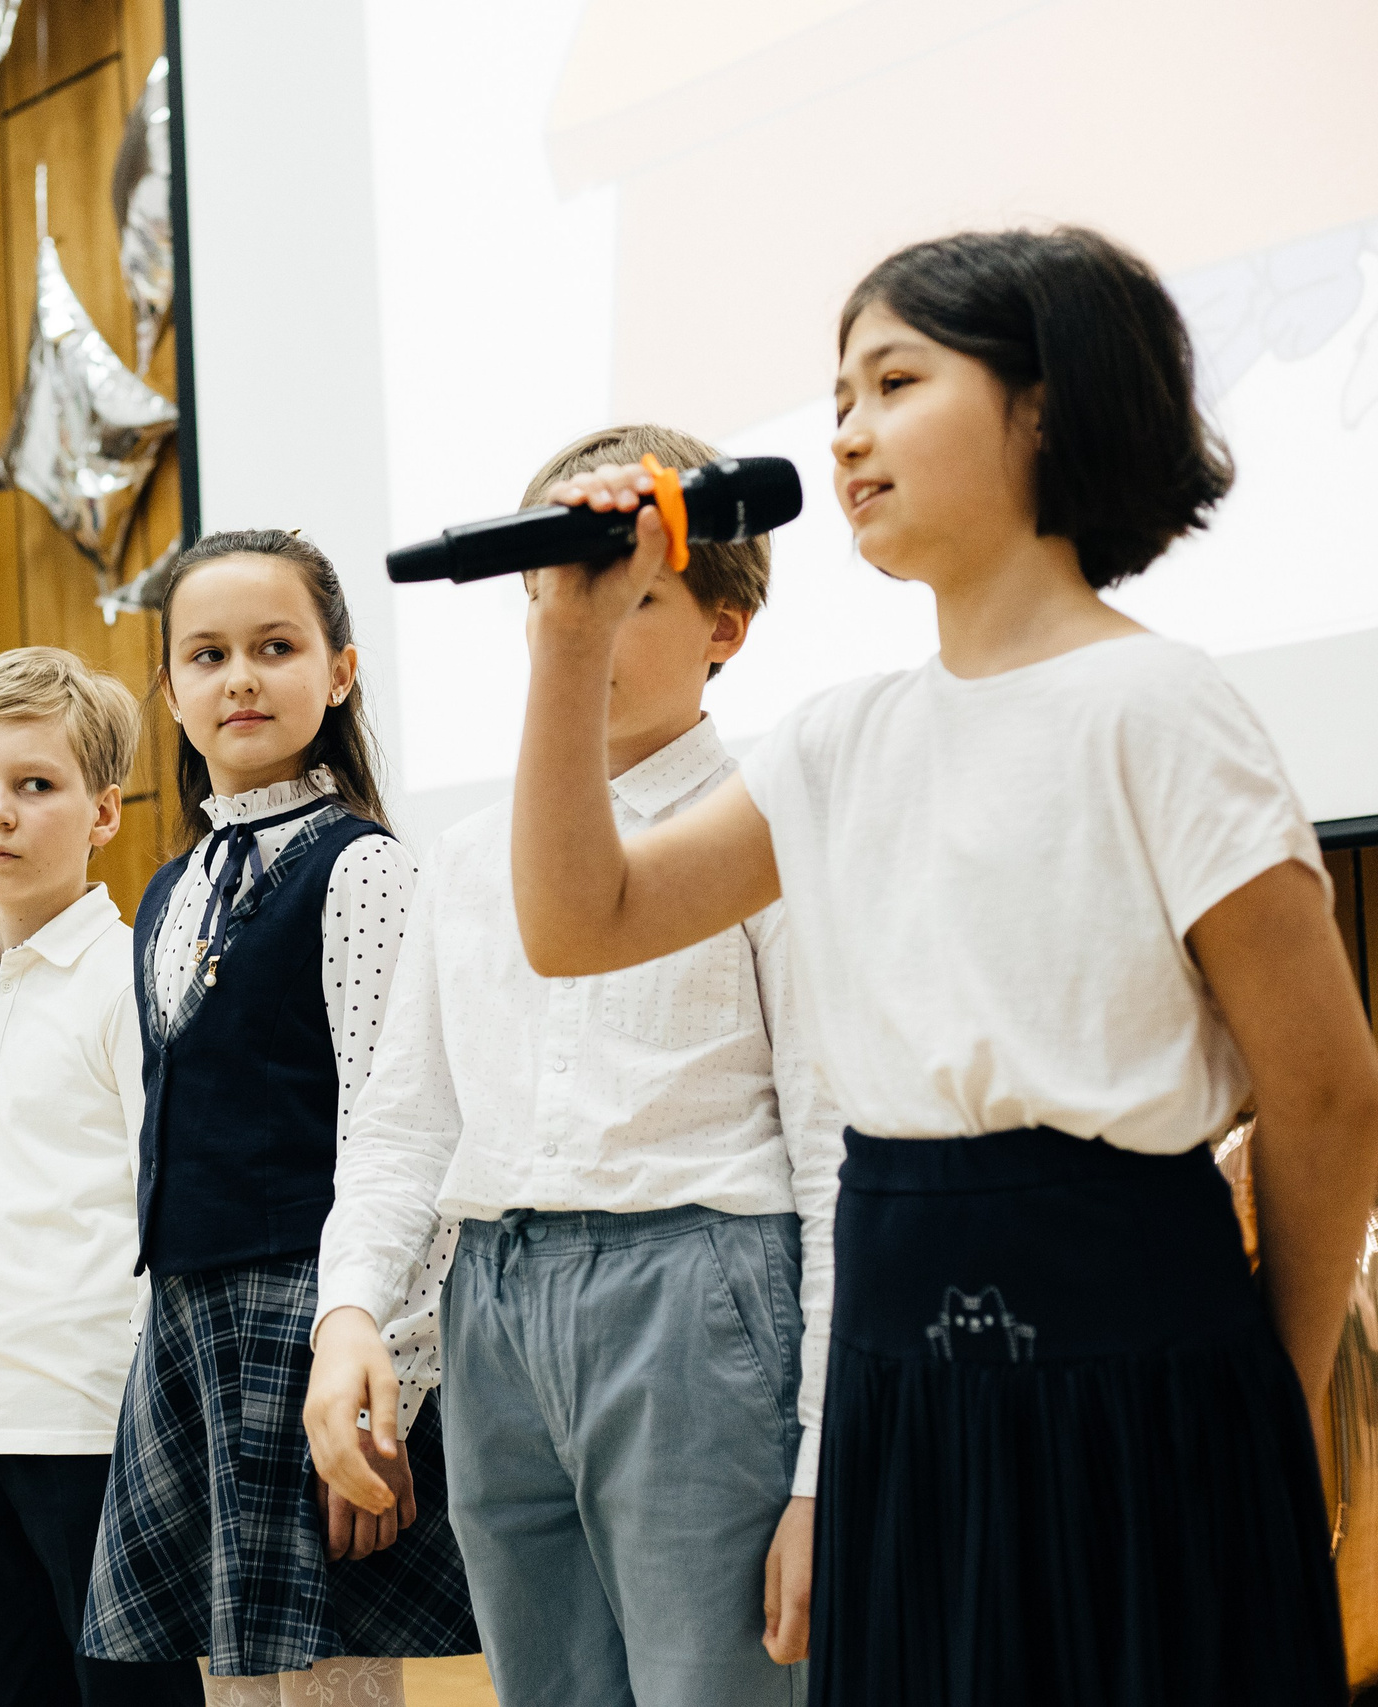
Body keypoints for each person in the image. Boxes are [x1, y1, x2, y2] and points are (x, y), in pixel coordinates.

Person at [506, 228, 1375, 1702]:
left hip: (1143, 1345)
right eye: (836, 392)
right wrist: (571, 638)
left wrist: (1273, 1393)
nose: (845, 430)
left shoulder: (1156, 702)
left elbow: (1326, 1087)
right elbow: (578, 921)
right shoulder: (845, 735)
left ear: (1048, 405)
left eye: (895, 379)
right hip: (911, 1359)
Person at [303, 426, 845, 1706]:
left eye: (634, 594)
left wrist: (829, 1463)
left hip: (696, 1287)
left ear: (728, 627)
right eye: (556, 595)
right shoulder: (467, 851)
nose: (582, 624)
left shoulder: (767, 824)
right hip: (495, 1297)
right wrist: (349, 1318)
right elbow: (401, 1123)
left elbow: (834, 1147)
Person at [76, 534, 477, 1703]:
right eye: (206, 655)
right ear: (171, 689)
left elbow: (402, 1127)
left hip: (315, 1319)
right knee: (235, 1684)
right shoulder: (170, 881)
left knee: (330, 1685)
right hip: (191, 1318)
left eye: (275, 647)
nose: (239, 678)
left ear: (340, 671)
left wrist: (385, 1374)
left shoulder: (363, 870)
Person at [0, 647, 204, 1707]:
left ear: (104, 813)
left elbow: (169, 1226)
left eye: (35, 786)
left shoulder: (128, 982)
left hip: (96, 1428)